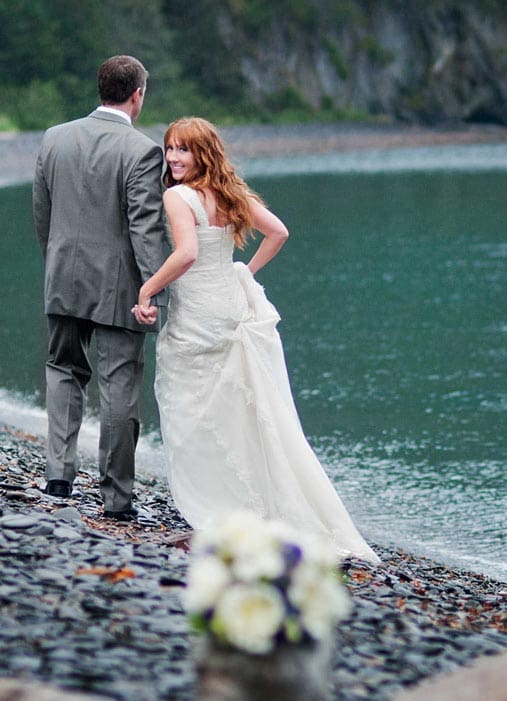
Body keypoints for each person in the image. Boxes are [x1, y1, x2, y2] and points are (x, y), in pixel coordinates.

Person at [133, 117, 378, 562]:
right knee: (237, 409)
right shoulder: (230, 191)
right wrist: (245, 271)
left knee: (191, 408)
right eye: (169, 149)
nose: (172, 158)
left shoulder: (176, 195)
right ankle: (253, 504)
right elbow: (278, 232)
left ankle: (219, 504)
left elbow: (186, 253)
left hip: (198, 314)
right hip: (229, 306)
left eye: (182, 150)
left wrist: (148, 289)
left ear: (202, 152)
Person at [33, 54, 167, 521]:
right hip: (119, 290)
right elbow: (145, 229)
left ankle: (58, 475)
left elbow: (42, 214)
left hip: (62, 277)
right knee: (119, 388)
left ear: (100, 88)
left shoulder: (55, 138)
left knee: (63, 370)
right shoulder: (142, 151)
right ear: (137, 95)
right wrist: (153, 292)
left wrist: (55, 263)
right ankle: (116, 499)